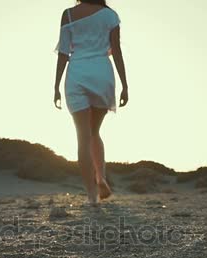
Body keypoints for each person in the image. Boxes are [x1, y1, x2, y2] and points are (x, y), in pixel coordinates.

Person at [53, 0, 129, 207]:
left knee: (82, 137)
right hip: (102, 74)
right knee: (94, 132)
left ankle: (92, 196)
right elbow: (117, 51)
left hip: (77, 74)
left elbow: (63, 54)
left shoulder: (68, 14)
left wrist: (56, 86)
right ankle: (101, 177)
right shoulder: (110, 15)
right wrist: (125, 85)